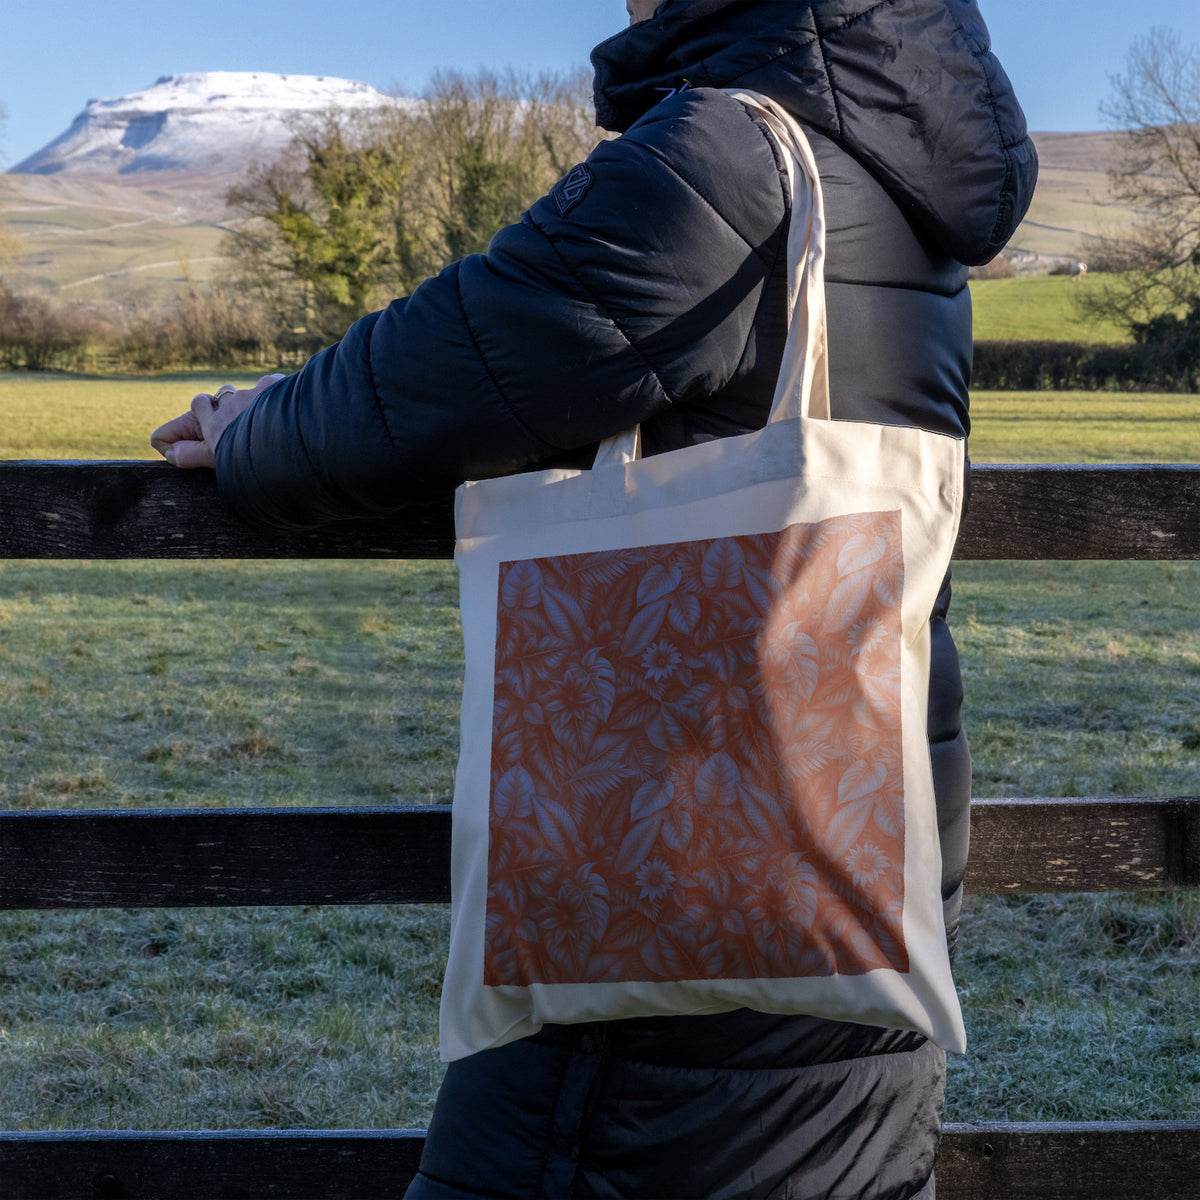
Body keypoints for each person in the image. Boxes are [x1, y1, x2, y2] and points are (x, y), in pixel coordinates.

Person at [153, 1, 1036, 1195]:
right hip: (861, 850)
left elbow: (451, 365)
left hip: (683, 877)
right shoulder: (890, 149)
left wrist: (257, 423)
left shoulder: (725, 155)